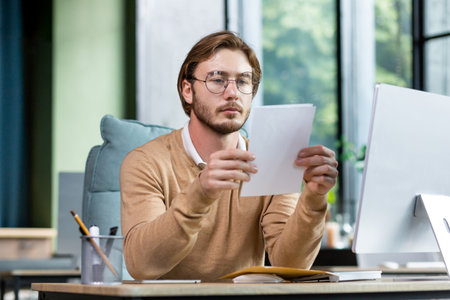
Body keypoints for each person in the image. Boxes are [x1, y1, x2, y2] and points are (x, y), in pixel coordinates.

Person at [120, 30, 338, 281]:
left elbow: (290, 265)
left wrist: (314, 198)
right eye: (217, 80)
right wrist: (200, 193)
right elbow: (142, 265)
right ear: (188, 90)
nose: (232, 92)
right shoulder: (145, 162)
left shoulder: (270, 161)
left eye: (243, 81)